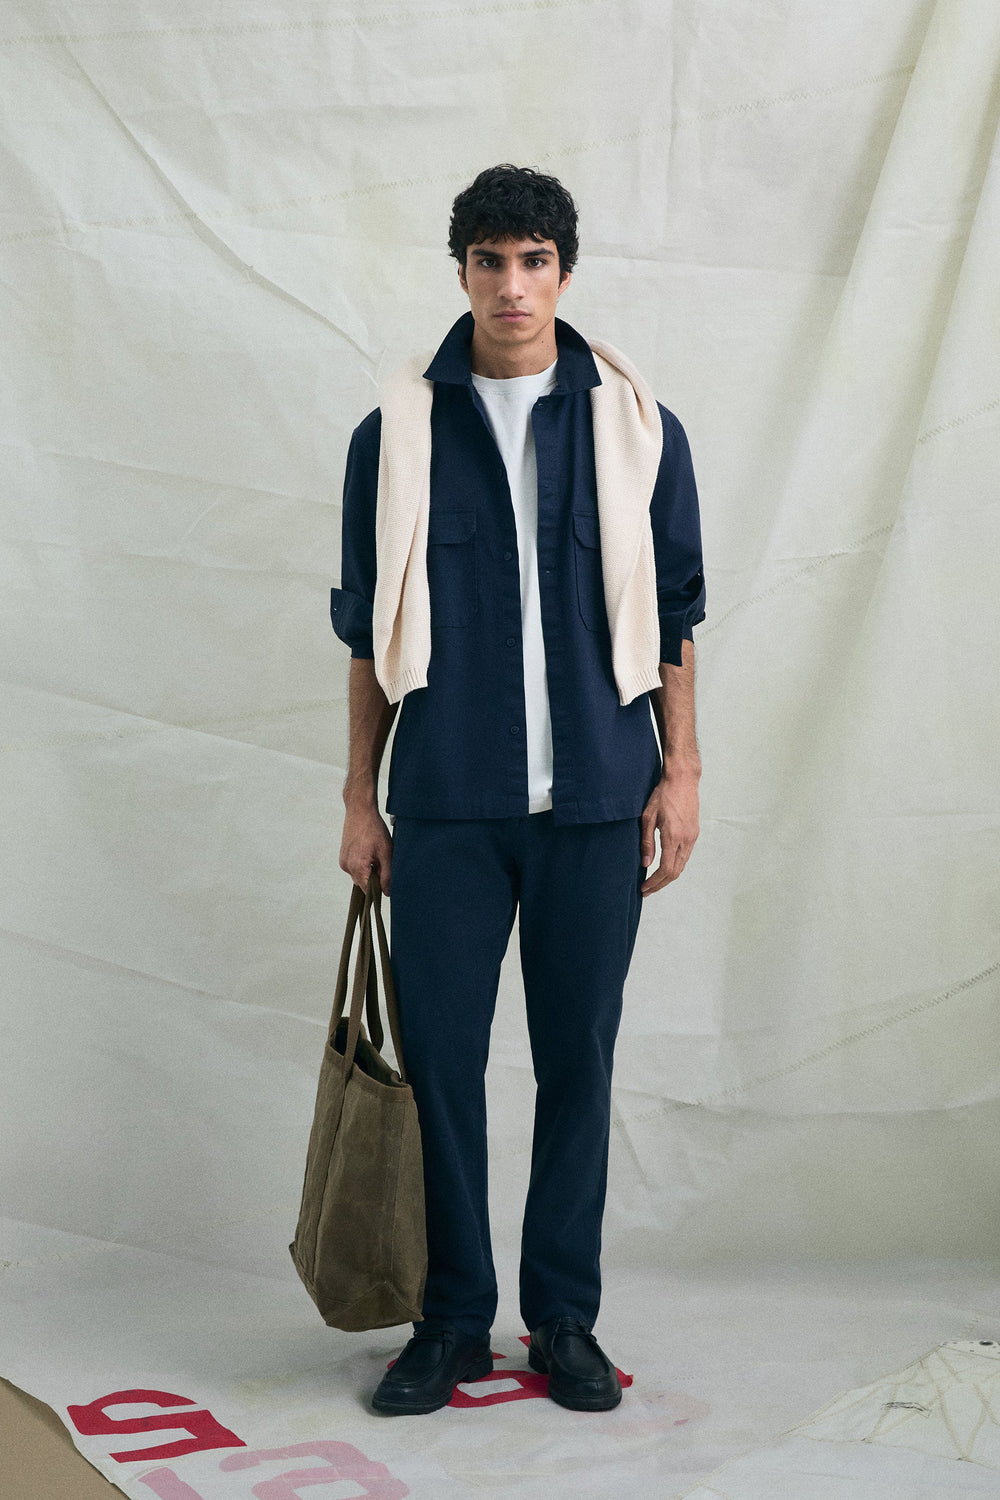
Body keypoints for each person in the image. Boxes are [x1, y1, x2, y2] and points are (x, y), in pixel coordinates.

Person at [331, 164, 705, 1416]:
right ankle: (449, 1320)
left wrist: (682, 770)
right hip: (446, 802)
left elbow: (677, 616)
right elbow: (364, 634)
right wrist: (359, 799)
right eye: (489, 260)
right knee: (442, 1064)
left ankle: (562, 1320)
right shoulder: (394, 437)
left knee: (575, 1063)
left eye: (532, 260)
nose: (510, 284)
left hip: (597, 798)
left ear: (563, 272)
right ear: (461, 273)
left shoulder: (637, 431)